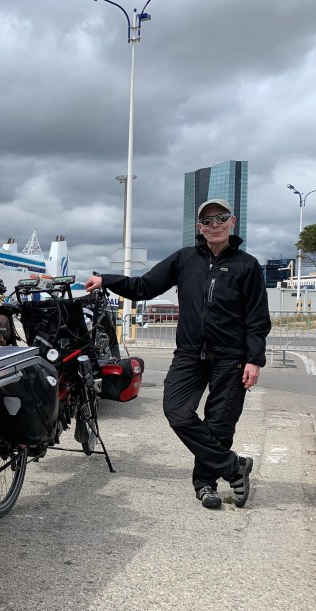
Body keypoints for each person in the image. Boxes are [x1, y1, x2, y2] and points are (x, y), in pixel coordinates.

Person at [85, 199, 271, 509]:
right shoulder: (185, 259)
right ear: (199, 227)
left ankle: (205, 484)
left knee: (220, 423)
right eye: (207, 221)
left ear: (232, 221)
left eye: (221, 218)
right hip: (189, 354)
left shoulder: (247, 265)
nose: (215, 225)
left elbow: (257, 317)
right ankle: (234, 467)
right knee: (177, 412)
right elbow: (144, 286)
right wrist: (108, 280)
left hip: (231, 356)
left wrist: (254, 359)